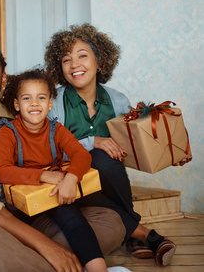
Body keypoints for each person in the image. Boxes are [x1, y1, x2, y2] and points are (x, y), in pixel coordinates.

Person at [0, 43, 126, 272]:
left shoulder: (11, 114)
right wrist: (45, 245)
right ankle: (52, 260)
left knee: (111, 222)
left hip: (19, 215)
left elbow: (58, 147)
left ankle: (21, 262)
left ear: (3, 79)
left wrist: (67, 176)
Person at [44, 23, 190, 267]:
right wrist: (94, 141)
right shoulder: (54, 102)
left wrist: (170, 151)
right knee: (98, 156)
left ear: (99, 61)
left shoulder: (118, 100)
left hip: (109, 181)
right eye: (66, 60)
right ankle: (142, 234)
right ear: (60, 68)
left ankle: (132, 232)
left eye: (82, 56)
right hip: (69, 182)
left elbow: (134, 146)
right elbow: (47, 150)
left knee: (105, 160)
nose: (74, 64)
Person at [0, 68, 120, 272]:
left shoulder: (56, 130)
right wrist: (44, 175)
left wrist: (71, 179)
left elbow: (82, 155)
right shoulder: (8, 132)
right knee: (51, 226)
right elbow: (3, 170)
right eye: (27, 98)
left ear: (50, 103)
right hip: (23, 208)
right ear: (16, 104)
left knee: (71, 217)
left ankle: (99, 269)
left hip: (55, 196)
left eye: (41, 97)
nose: (35, 103)